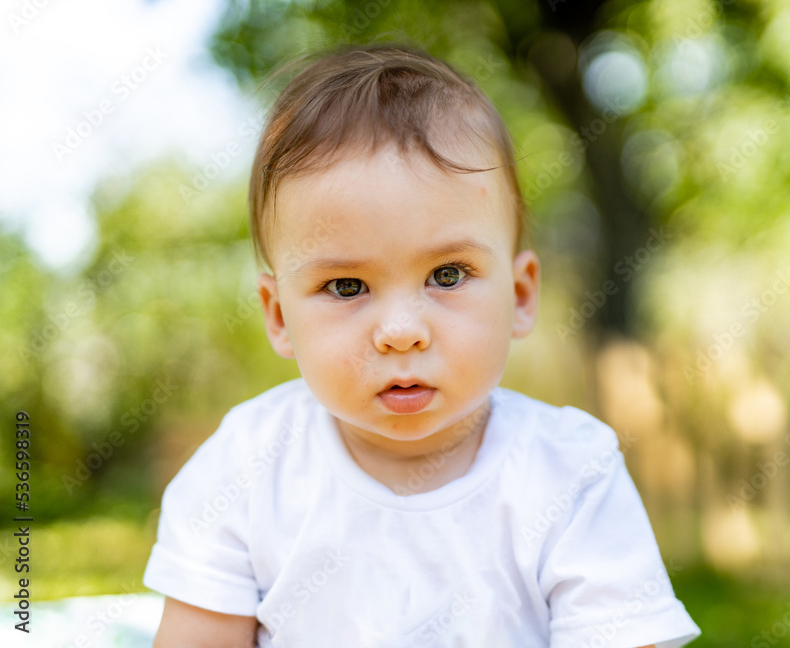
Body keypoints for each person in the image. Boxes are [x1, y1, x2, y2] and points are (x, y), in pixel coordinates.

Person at [143, 43, 701, 648]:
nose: (401, 330)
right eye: (347, 286)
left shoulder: (569, 474)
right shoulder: (246, 469)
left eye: (448, 275)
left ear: (519, 295)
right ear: (279, 315)